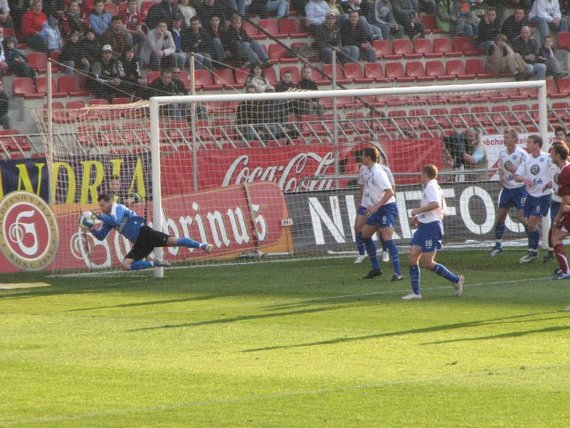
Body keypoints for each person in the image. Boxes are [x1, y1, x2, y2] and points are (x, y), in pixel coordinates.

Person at [81, 193, 213, 271]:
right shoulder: (107, 218)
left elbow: (116, 221)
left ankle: (203, 245)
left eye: (102, 205)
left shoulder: (118, 207)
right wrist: (91, 229)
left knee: (173, 241)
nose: (101, 208)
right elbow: (101, 236)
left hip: (144, 232)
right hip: (139, 243)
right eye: (99, 206)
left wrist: (97, 216)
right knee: (126, 265)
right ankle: (154, 263)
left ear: (110, 202)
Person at [402, 164, 464, 300]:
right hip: (424, 226)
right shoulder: (431, 186)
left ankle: (456, 280)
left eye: (421, 174)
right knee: (412, 257)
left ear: (425, 174)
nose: (420, 176)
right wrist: (419, 218)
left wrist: (418, 210)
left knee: (427, 262)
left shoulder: (431, 186)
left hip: (432, 227)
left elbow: (436, 204)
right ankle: (416, 293)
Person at [358, 146, 400, 279]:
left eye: (363, 156)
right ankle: (376, 268)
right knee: (365, 235)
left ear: (369, 158)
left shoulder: (378, 173)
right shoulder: (370, 171)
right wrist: (371, 205)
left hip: (387, 207)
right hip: (378, 208)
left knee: (387, 237)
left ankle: (398, 273)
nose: (362, 158)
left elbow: (390, 192)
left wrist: (376, 206)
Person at [490, 128, 528, 257]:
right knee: (501, 216)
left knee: (522, 217)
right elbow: (501, 167)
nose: (504, 139)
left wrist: (515, 170)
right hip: (507, 189)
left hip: (520, 189)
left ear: (514, 139)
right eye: (504, 137)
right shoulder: (502, 153)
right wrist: (500, 177)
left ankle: (532, 243)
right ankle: (498, 245)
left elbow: (527, 172)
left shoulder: (522, 154)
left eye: (507, 137)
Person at [514, 134, 553, 263]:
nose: (527, 145)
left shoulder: (547, 158)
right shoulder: (527, 159)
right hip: (531, 195)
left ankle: (534, 252)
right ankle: (533, 251)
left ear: (537, 144)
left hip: (543, 195)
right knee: (531, 225)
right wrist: (525, 179)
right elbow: (517, 176)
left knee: (531, 223)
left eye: (529, 142)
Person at [543, 141, 568, 262]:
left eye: (552, 152)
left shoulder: (565, 172)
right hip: (562, 205)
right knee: (555, 235)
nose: (550, 154)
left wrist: (559, 215)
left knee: (555, 237)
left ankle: (565, 271)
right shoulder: (561, 170)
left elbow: (566, 200)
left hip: (566, 208)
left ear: (558, 155)